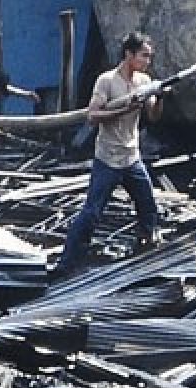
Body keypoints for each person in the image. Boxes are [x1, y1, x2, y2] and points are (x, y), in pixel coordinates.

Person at [55, 31, 164, 274]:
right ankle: (67, 263)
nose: (148, 61)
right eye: (144, 56)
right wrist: (124, 110)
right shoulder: (106, 81)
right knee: (91, 213)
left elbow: (153, 117)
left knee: (148, 208)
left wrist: (160, 98)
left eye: (149, 57)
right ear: (129, 54)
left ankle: (146, 252)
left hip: (132, 157)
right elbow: (93, 116)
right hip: (108, 158)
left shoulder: (144, 82)